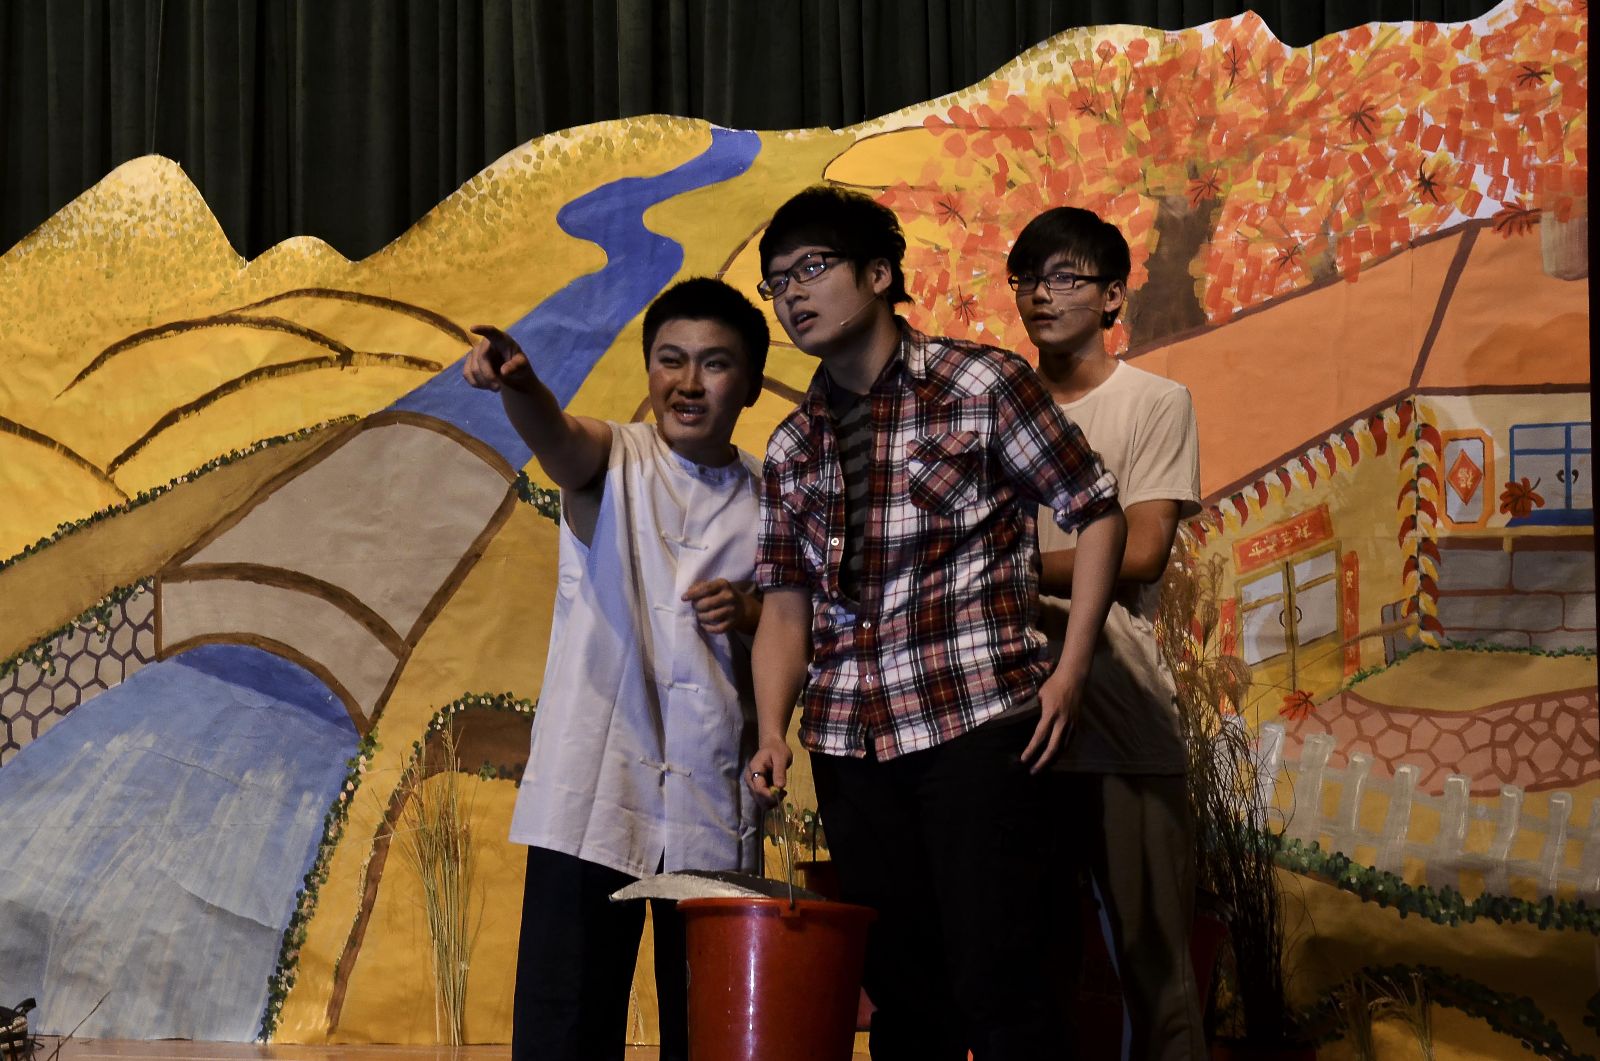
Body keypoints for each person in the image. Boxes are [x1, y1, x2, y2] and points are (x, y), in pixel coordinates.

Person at [744, 185, 1127, 1061]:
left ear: (880, 274)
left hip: (975, 726)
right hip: (851, 744)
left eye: (812, 268)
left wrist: (1069, 672)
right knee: (904, 1001)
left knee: (1006, 987)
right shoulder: (792, 444)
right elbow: (786, 605)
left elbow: (1097, 511)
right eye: (777, 282)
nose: (793, 294)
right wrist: (770, 729)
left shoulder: (981, 384)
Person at [463, 277, 770, 1061]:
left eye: (714, 363)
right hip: (597, 784)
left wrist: (750, 611)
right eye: (671, 359)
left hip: (713, 788)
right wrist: (522, 387)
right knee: (567, 1018)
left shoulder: (771, 499)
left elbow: (793, 628)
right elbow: (560, 440)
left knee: (709, 1025)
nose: (688, 382)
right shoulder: (617, 457)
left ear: (751, 383)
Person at [1008, 206, 1206, 1061]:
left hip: (1121, 716)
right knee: (1027, 971)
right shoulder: (995, 406)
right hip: (1008, 717)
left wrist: (1004, 570)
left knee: (1157, 971)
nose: (1041, 295)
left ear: (1114, 295)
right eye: (1027, 278)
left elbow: (1146, 546)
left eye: (1064, 277)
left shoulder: (1153, 402)